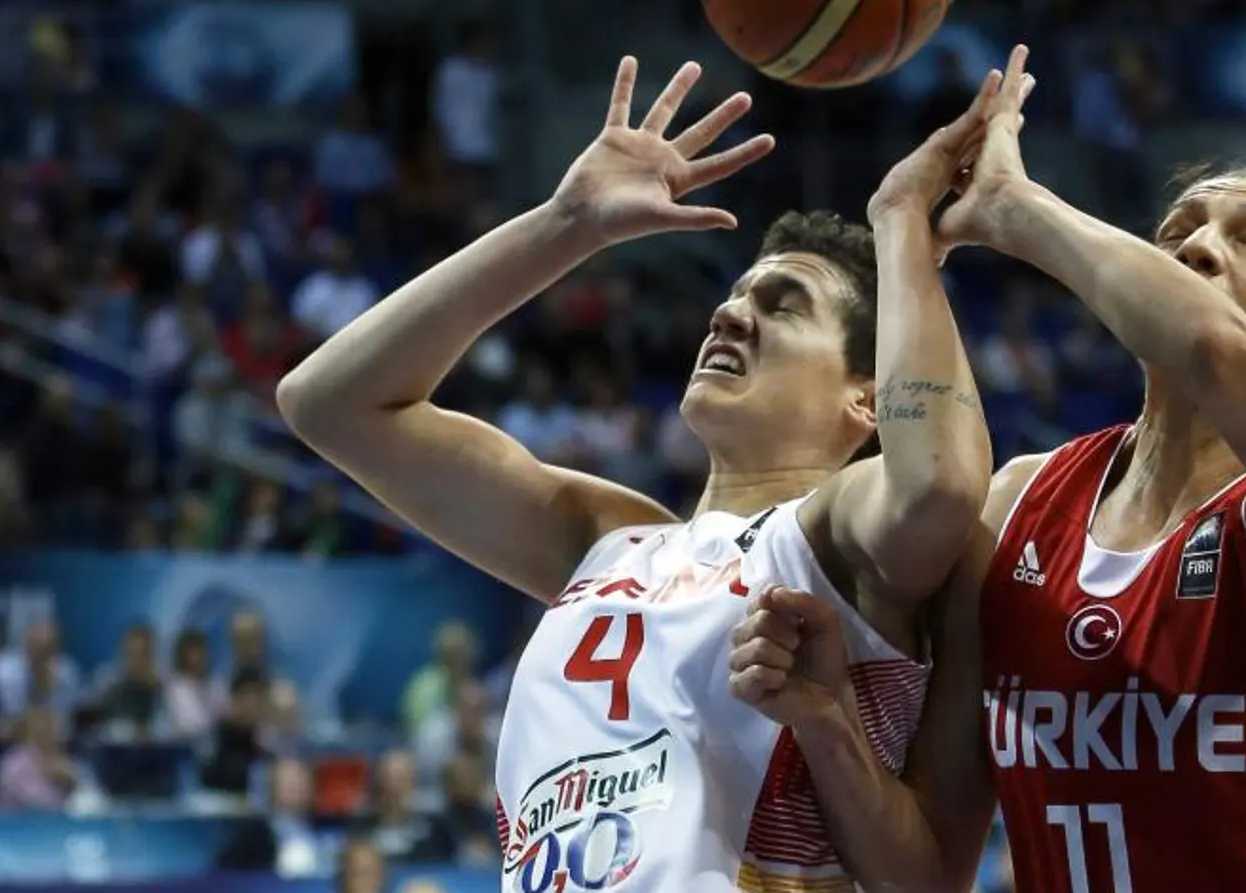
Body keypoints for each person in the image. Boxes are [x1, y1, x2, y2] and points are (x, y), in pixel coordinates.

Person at [279, 55, 1018, 890]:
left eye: (783, 305)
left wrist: (902, 227)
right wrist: (567, 224)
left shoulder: (837, 533)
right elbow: (329, 403)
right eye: (737, 294)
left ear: (866, 398)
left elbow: (942, 484)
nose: (731, 310)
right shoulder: (607, 536)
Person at [728, 44, 1246, 892]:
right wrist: (826, 719)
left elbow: (1214, 351)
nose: (1199, 249)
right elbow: (927, 872)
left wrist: (1017, 206)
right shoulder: (1015, 504)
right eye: (1178, 234)